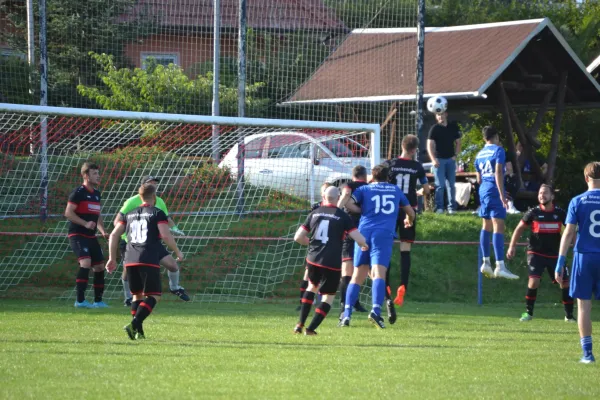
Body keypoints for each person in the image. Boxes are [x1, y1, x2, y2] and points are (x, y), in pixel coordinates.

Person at [340, 164, 415, 329]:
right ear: (388, 177)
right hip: (383, 234)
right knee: (378, 274)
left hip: (364, 232)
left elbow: (349, 205)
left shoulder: (364, 189)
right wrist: (408, 220)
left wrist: (364, 210)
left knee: (357, 275)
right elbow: (410, 211)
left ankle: (346, 314)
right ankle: (375, 311)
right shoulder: (395, 190)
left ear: (372, 177)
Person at [106, 184, 184, 340]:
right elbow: (166, 235)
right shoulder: (157, 213)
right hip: (148, 257)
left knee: (137, 295)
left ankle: (138, 333)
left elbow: (114, 235)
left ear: (139, 196)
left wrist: (111, 258)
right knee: (154, 296)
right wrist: (177, 251)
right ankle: (134, 324)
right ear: (154, 197)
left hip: (130, 258)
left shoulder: (128, 214)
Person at [293, 186, 368, 335]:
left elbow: (298, 237)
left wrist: (312, 243)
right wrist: (364, 245)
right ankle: (311, 329)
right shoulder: (342, 216)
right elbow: (358, 238)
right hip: (332, 261)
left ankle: (299, 324)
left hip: (313, 259)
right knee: (328, 296)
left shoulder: (314, 213)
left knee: (311, 287)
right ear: (338, 197)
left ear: (324, 197)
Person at [116, 175, 189, 305]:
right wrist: (130, 233)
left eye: (155, 183)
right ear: (143, 187)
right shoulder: (132, 202)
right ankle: (128, 297)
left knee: (172, 265)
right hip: (131, 243)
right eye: (151, 183)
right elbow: (118, 221)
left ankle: (175, 288)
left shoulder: (159, 201)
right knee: (128, 271)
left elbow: (166, 219)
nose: (154, 185)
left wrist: (175, 229)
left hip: (151, 243)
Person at [506, 184, 574, 322]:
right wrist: (511, 246)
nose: (542, 195)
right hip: (536, 253)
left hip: (555, 254)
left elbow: (571, 230)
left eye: (545, 193)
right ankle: (528, 313)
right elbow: (519, 229)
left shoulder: (560, 213)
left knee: (565, 283)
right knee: (534, 281)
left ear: (552, 196)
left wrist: (576, 244)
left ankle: (569, 316)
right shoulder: (533, 213)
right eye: (540, 193)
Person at [555, 162, 600, 364]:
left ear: (586, 178)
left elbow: (569, 232)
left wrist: (560, 261)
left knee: (583, 307)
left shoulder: (577, 201)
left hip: (584, 257)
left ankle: (588, 354)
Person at [382, 134, 430, 320]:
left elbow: (376, 179)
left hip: (391, 209)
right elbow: (426, 190)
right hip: (409, 209)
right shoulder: (417, 167)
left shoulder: (391, 164)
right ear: (413, 150)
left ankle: (385, 284)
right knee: (405, 249)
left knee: (385, 248)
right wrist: (416, 192)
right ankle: (403, 286)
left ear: (402, 146)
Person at [474, 126, 519, 280]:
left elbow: (478, 178)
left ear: (484, 138)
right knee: (498, 225)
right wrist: (502, 195)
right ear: (496, 136)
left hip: (483, 190)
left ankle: (486, 262)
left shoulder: (479, 154)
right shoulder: (498, 151)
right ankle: (500, 265)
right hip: (494, 189)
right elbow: (498, 172)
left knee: (485, 225)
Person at [64, 162, 109, 308]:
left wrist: (103, 230)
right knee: (86, 263)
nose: (98, 176)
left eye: (98, 173)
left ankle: (98, 301)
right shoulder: (78, 192)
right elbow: (68, 213)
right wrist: (84, 223)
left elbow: (97, 214)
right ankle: (80, 301)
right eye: (94, 173)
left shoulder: (96, 194)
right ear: (85, 175)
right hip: (78, 234)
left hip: (91, 236)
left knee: (100, 266)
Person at [337, 166, 370, 318]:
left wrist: (337, 210)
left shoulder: (348, 186)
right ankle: (351, 303)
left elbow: (345, 196)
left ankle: (346, 304)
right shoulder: (369, 187)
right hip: (365, 230)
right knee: (360, 270)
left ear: (353, 175)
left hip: (349, 230)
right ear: (364, 176)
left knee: (347, 269)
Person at [427, 111, 461, 214]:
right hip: (439, 160)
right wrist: (433, 159)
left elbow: (458, 142)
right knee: (440, 185)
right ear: (436, 117)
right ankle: (439, 208)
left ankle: (451, 208)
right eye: (438, 115)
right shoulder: (434, 128)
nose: (440, 117)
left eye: (442, 114)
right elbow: (430, 145)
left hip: (450, 159)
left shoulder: (453, 127)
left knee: (451, 185)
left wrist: (455, 156)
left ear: (446, 114)